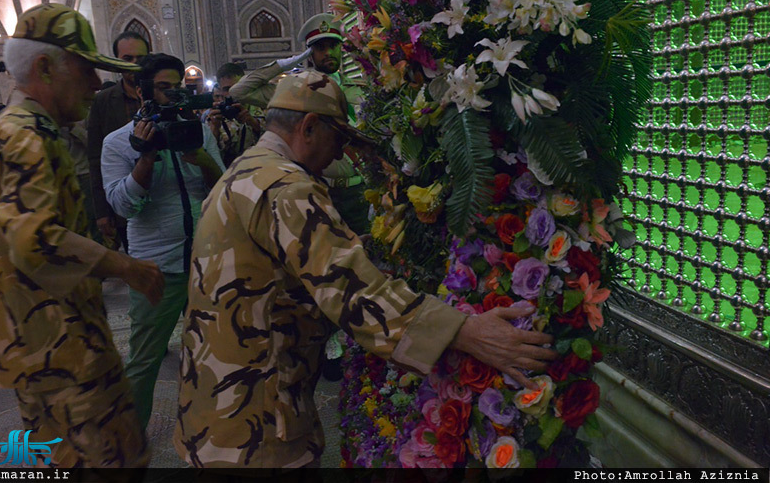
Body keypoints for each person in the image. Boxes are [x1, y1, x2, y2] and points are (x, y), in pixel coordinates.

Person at [174, 70, 557, 468]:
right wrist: (466, 331)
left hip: (216, 407)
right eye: (338, 139)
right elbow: (351, 289)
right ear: (308, 127)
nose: (339, 155)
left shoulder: (245, 170)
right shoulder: (286, 188)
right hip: (255, 423)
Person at [0, 3, 165, 468]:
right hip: (61, 354)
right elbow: (35, 239)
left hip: (54, 346)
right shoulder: (23, 137)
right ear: (44, 68)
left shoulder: (30, 131)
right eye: (84, 69)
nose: (95, 84)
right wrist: (129, 268)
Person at [101, 53, 225, 429]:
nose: (174, 95)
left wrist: (203, 159)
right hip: (155, 265)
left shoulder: (197, 130)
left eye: (178, 87)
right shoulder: (118, 142)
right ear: (142, 92)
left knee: (214, 352)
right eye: (164, 88)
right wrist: (146, 156)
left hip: (205, 262)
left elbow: (222, 188)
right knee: (144, 360)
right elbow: (123, 206)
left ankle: (212, 429)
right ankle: (129, 438)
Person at [230, 13, 369, 234]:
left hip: (361, 191)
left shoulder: (359, 88)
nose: (328, 53)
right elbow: (239, 91)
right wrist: (285, 64)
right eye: (320, 48)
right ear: (309, 53)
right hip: (320, 190)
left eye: (333, 46)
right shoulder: (295, 93)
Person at [85, 31, 150, 250]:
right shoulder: (104, 101)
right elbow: (95, 158)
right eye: (128, 59)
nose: (134, 64)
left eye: (140, 59)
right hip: (123, 199)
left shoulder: (163, 95)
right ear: (116, 62)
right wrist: (102, 211)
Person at [204, 63, 261, 167]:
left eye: (237, 87)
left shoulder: (262, 108)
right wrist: (215, 128)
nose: (233, 93)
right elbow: (211, 156)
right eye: (227, 89)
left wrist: (254, 124)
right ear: (221, 90)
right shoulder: (216, 116)